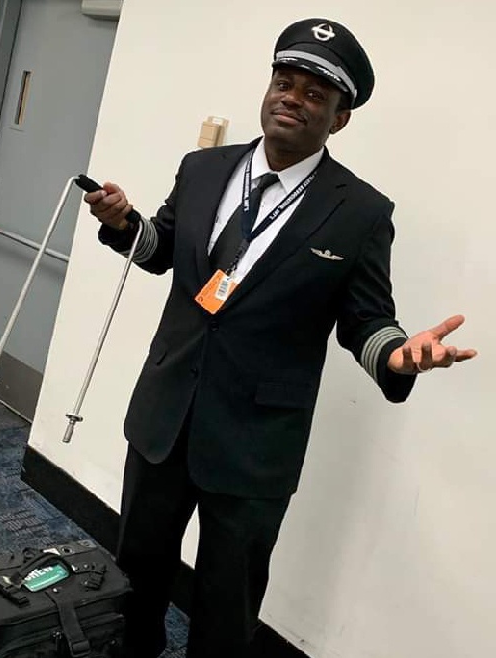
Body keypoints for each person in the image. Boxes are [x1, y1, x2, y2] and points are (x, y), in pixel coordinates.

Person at [83, 18, 477, 658]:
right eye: (284, 82)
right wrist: (125, 222)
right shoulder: (203, 168)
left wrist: (399, 354)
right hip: (164, 418)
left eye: (315, 93)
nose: (292, 98)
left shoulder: (360, 212)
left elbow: (366, 320)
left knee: (227, 601)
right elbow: (163, 250)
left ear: (339, 118)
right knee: (138, 575)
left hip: (255, 444)